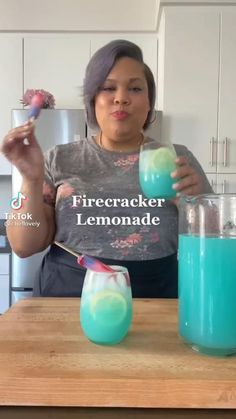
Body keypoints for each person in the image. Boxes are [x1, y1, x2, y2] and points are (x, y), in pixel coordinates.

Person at [1, 40, 212, 298]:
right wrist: (31, 180)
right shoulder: (59, 159)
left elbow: (214, 242)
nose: (121, 98)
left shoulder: (177, 159)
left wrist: (192, 205)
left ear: (149, 103)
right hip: (68, 297)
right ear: (93, 100)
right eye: (108, 88)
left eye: (135, 88)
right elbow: (23, 245)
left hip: (159, 297)